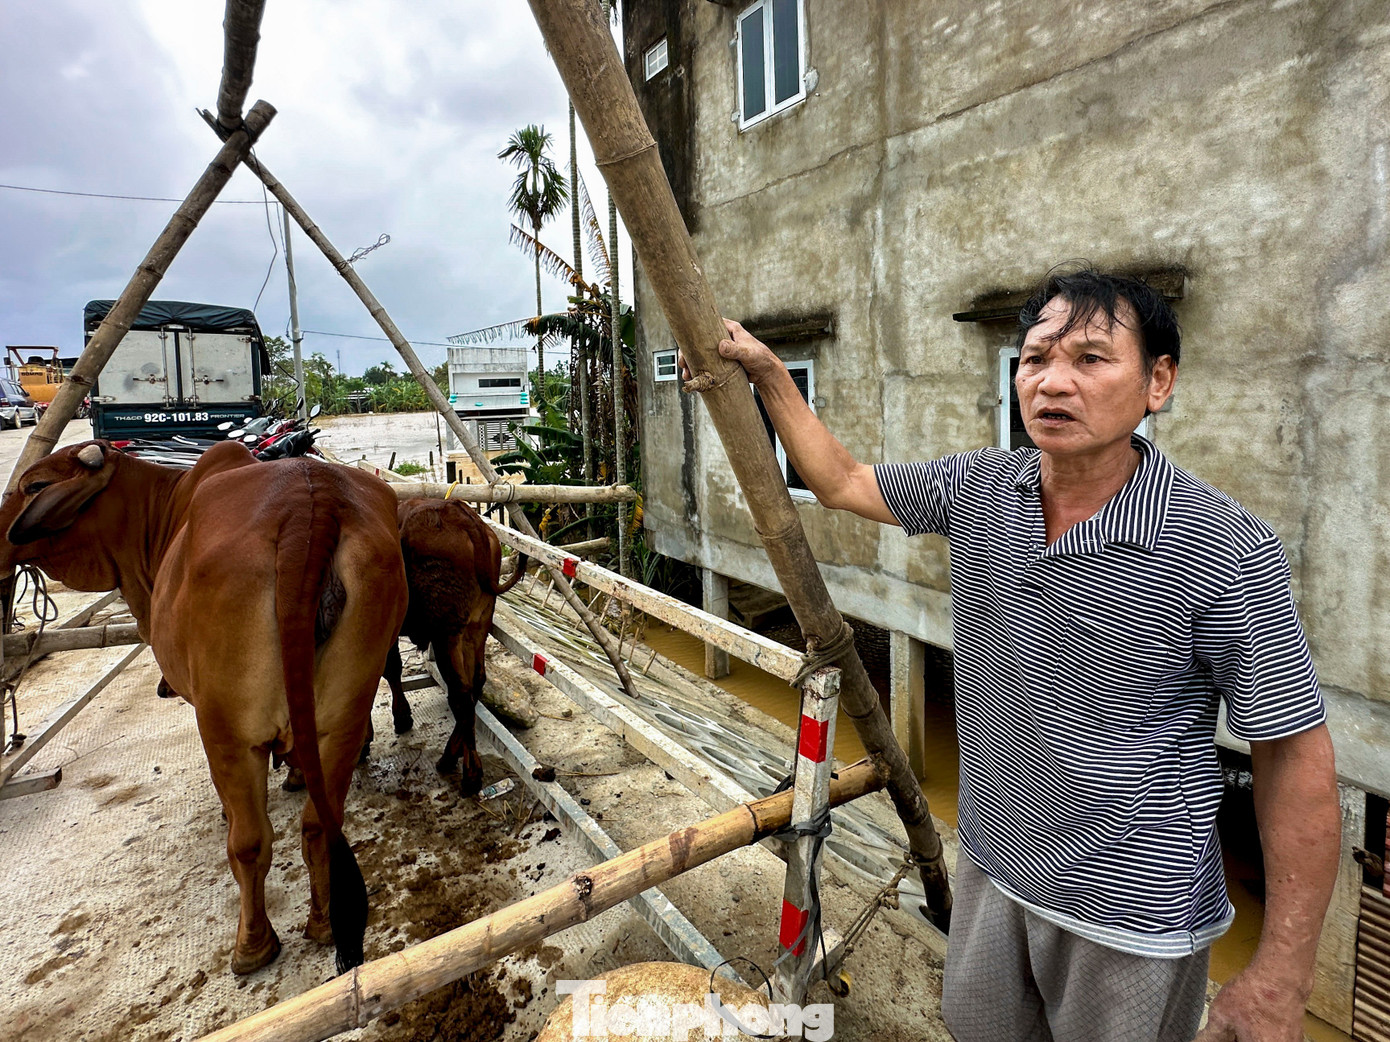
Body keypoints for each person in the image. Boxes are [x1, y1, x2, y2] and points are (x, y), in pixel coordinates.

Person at [692, 268, 1339, 1041]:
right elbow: (842, 480)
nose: (1052, 382)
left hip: (1133, 917)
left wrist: (1282, 975)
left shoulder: (1224, 547)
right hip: (993, 867)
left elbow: (1292, 756)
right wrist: (770, 374)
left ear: (1158, 382)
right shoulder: (981, 488)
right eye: (1034, 359)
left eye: (1091, 359)